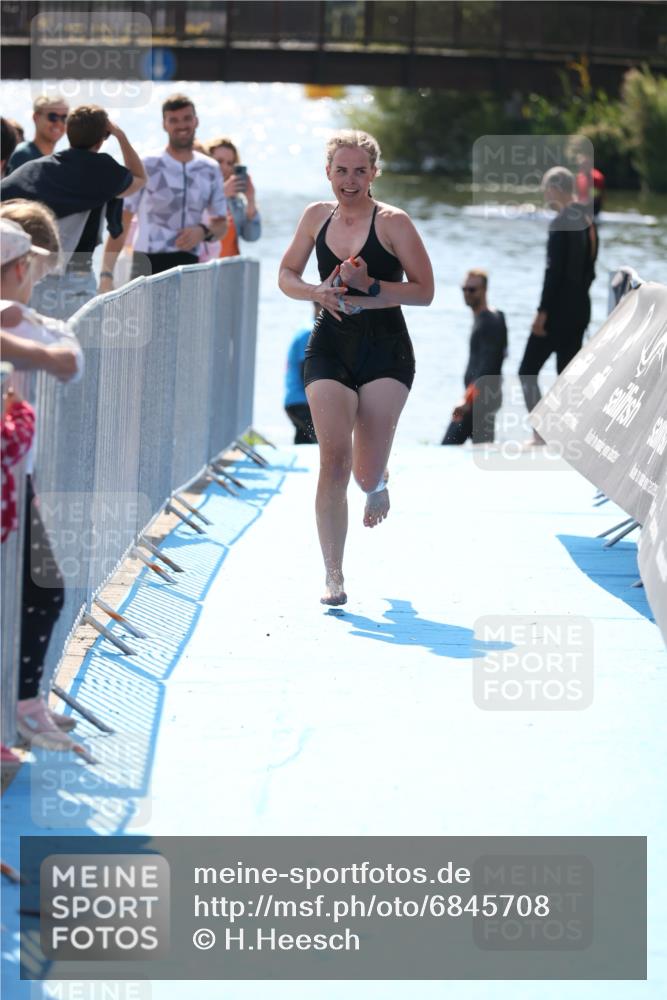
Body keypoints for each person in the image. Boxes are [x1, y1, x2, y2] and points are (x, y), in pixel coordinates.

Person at [278, 129, 434, 606]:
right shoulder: (314, 217)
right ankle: (334, 576)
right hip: (331, 347)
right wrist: (316, 293)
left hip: (386, 351)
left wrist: (370, 288)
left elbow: (424, 291)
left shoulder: (394, 223)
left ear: (374, 174)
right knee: (334, 461)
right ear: (328, 172)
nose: (350, 180)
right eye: (341, 171)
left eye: (360, 171)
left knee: (364, 473)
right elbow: (286, 275)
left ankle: (379, 481)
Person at [0, 217, 83, 750]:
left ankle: (23, 707)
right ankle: (22, 708)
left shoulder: (18, 319)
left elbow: (69, 361)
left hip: (14, 482)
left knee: (42, 589)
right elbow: (67, 362)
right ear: (19, 269)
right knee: (41, 590)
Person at [1, 105, 145, 318]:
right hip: (79, 274)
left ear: (68, 131)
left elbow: (4, 191)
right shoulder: (105, 172)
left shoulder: (38, 169)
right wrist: (120, 135)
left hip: (36, 272)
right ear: (101, 139)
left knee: (36, 340)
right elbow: (140, 179)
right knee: (75, 342)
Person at [101, 94, 227, 287]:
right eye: (173, 120)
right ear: (164, 124)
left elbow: (221, 225)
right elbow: (123, 221)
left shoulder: (210, 168)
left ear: (196, 121)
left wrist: (202, 232)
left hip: (190, 265)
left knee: (187, 319)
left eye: (187, 118)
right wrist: (106, 275)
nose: (181, 125)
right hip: (147, 262)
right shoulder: (147, 164)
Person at [518, 166, 597, 427]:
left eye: (545, 191)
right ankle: (569, 434)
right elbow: (590, 272)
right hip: (580, 310)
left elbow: (554, 273)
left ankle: (541, 435)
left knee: (527, 371)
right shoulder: (588, 222)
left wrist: (542, 313)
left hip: (556, 312)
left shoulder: (560, 222)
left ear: (555, 189)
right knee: (567, 376)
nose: (545, 197)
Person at [442, 269, 507, 445]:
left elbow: (489, 366)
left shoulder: (490, 322)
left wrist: (466, 400)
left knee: (447, 448)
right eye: (464, 289)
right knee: (483, 451)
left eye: (472, 290)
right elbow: (503, 354)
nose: (467, 293)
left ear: (484, 290)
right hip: (483, 398)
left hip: (478, 401)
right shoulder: (496, 317)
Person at [203, 136, 261, 257]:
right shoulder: (196, 193)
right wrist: (221, 194)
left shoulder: (235, 201)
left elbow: (252, 236)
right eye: (219, 161)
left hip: (231, 270)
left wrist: (251, 200)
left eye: (230, 163)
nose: (224, 167)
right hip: (207, 270)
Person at [5, 95, 69, 174]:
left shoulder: (59, 160)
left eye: (64, 118)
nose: (59, 123)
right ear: (36, 118)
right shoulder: (23, 155)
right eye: (53, 117)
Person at [284, 304, 318, 445]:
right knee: (326, 442)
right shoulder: (311, 332)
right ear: (319, 306)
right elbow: (306, 371)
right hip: (303, 403)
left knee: (304, 444)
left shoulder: (307, 330)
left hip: (296, 402)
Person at [575, 152, 605, 218]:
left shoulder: (597, 177)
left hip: (594, 207)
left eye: (585, 165)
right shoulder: (579, 177)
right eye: (581, 165)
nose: (582, 167)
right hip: (582, 205)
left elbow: (596, 197)